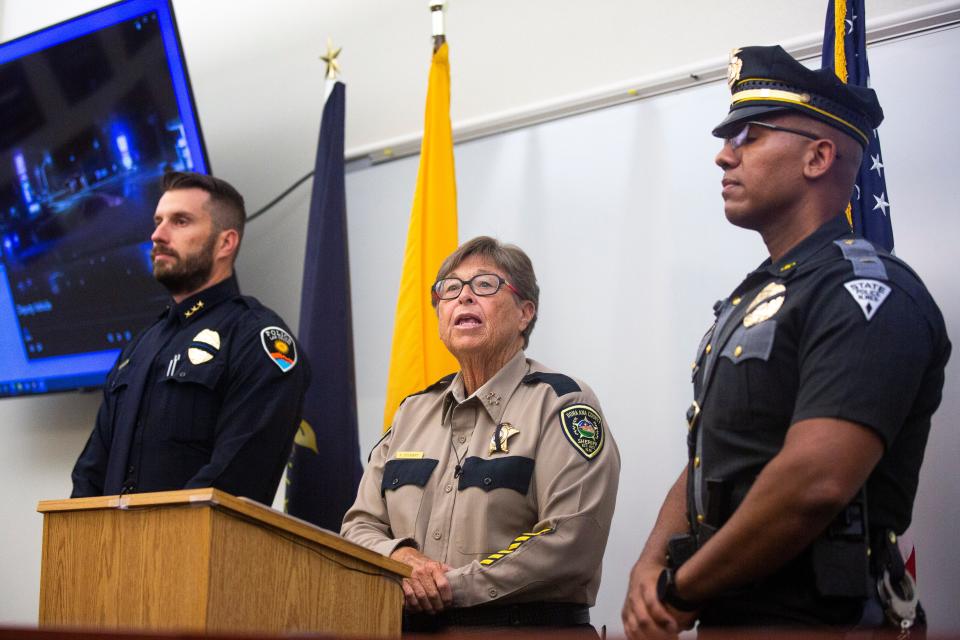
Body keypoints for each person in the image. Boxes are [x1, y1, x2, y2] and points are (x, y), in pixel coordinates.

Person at [622, 45, 950, 637]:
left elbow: (814, 483)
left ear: (819, 156)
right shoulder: (756, 298)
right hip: (732, 613)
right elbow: (713, 455)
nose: (725, 155)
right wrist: (650, 564)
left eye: (748, 135)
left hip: (820, 621)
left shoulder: (865, 293)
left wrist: (683, 585)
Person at [342, 236, 620, 632]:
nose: (464, 298)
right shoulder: (412, 413)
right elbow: (358, 527)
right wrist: (400, 558)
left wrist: (448, 587)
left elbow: (570, 541)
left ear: (525, 313)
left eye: (485, 285)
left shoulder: (561, 404)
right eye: (450, 289)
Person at [71, 171, 310, 506]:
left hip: (195, 551)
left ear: (225, 242)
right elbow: (91, 472)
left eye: (180, 221)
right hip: (113, 553)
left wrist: (157, 539)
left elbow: (235, 477)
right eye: (158, 221)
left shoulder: (256, 339)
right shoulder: (140, 346)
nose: (157, 234)